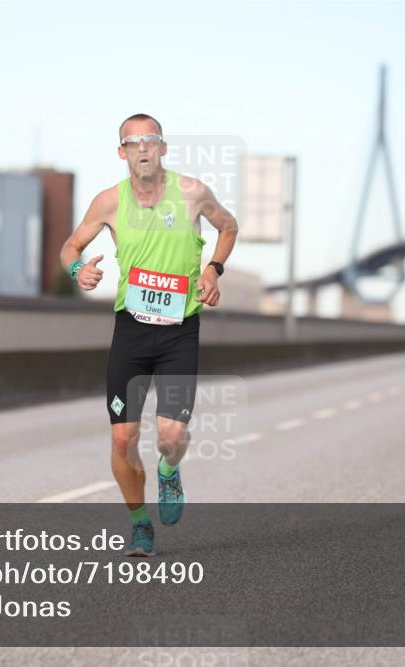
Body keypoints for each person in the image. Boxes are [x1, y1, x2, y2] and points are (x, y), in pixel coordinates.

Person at [59, 114, 238, 557]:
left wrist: (213, 268)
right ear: (122, 152)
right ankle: (140, 524)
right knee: (122, 438)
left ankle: (169, 470)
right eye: (132, 143)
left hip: (180, 331)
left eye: (150, 141)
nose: (142, 149)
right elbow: (69, 247)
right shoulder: (108, 202)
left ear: (163, 148)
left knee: (171, 437)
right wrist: (79, 269)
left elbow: (228, 226)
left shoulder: (193, 193)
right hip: (131, 333)